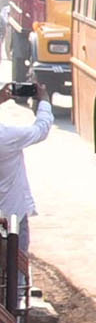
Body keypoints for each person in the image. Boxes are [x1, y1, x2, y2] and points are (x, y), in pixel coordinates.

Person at [0, 79, 53, 305]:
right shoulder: (6, 137)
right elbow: (40, 130)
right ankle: (11, 322)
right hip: (12, 215)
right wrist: (43, 101)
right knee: (15, 274)